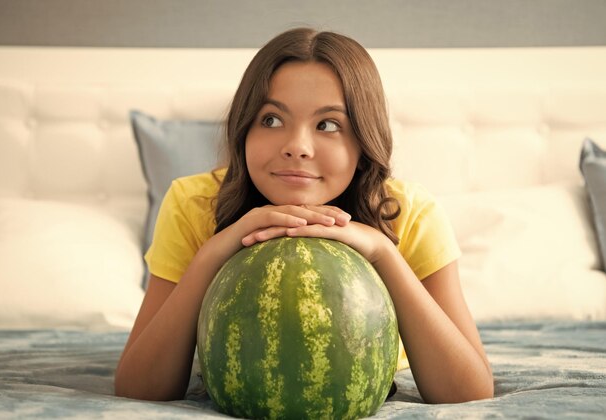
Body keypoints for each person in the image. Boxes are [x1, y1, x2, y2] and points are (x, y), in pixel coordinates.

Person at [114, 27, 494, 404]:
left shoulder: (409, 214)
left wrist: (383, 252)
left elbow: (469, 393)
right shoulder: (194, 203)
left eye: (328, 125)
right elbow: (139, 388)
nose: (297, 147)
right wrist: (214, 252)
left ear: (364, 140)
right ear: (243, 129)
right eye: (272, 120)